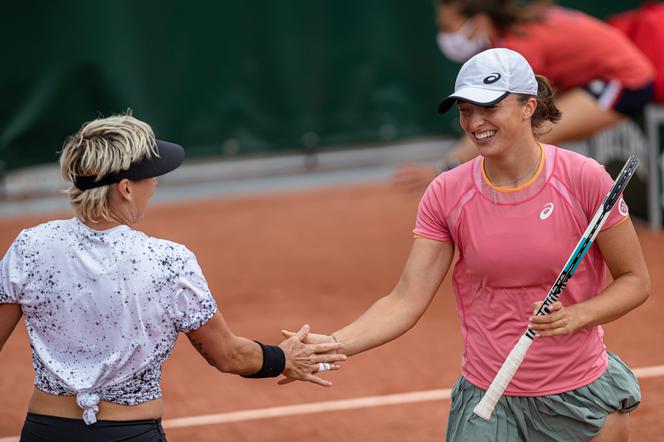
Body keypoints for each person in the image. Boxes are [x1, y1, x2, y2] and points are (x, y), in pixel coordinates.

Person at [286, 49, 650, 441]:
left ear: (529, 106)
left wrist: (577, 316)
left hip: (581, 398)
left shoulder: (584, 179)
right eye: (465, 109)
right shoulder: (447, 192)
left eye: (489, 107)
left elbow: (634, 280)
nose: (475, 122)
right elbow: (405, 299)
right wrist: (335, 343)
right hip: (488, 400)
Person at [0, 113, 346, 441]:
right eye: (150, 175)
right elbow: (228, 355)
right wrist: (283, 358)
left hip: (45, 432)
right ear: (125, 189)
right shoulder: (168, 261)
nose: (155, 183)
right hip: (130, 434)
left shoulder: (30, 246)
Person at [395, 0, 656, 192]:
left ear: (480, 21)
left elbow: (502, 117)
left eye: (448, 27)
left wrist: (443, 169)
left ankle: (544, 204)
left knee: (529, 130)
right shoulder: (512, 34)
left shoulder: (518, 47)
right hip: (593, 78)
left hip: (625, 82)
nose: (446, 37)